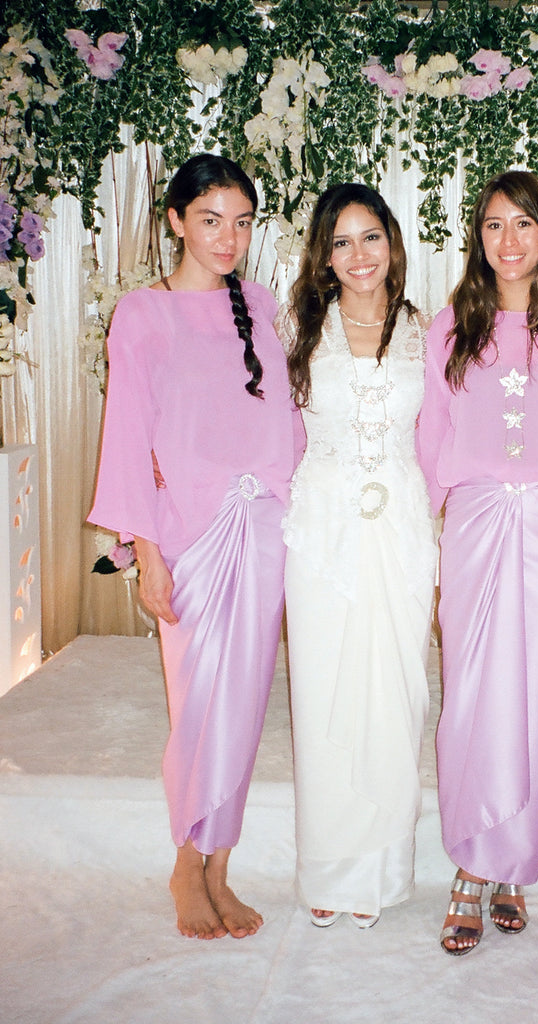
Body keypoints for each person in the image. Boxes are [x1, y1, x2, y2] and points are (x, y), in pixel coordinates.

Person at [89, 154, 302, 940]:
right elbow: (128, 438)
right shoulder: (142, 316)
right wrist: (145, 550)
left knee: (243, 705)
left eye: (243, 222)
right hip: (188, 537)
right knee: (199, 702)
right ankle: (188, 861)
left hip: (264, 531)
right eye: (211, 220)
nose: (229, 237)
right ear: (175, 221)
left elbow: (285, 422)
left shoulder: (260, 303)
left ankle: (220, 862)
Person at [416, 170, 538, 955]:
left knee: (537, 697)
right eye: (493, 225)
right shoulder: (451, 325)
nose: (509, 240)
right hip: (476, 523)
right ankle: (469, 862)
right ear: (478, 238)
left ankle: (516, 862)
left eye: (523, 223)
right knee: (472, 694)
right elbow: (432, 435)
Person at [277, 184, 437, 928]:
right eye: (341, 242)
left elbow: (442, 438)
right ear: (324, 254)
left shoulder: (427, 331)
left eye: (370, 237)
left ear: (393, 243)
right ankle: (331, 871)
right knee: (324, 690)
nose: (358, 255)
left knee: (397, 693)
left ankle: (383, 870)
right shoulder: (299, 329)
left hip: (402, 528)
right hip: (323, 530)